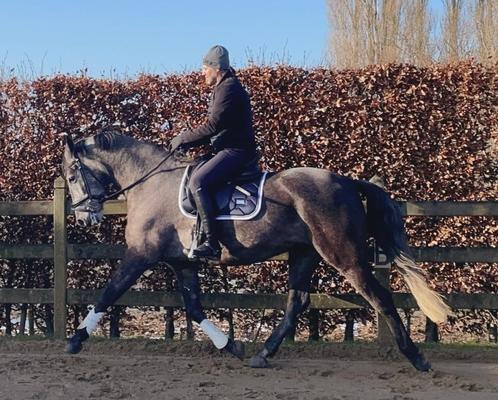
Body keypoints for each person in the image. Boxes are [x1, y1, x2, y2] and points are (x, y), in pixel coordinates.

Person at [170, 45, 257, 262]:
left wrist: (183, 138)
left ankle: (211, 243)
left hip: (237, 151)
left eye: (205, 68)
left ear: (216, 68)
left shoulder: (228, 88)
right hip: (228, 148)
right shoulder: (225, 87)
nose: (202, 72)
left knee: (197, 182)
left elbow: (213, 126)